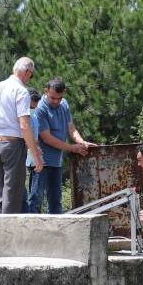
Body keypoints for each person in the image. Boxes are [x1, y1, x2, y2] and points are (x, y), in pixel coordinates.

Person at [0, 57, 44, 214]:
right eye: (31, 74)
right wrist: (35, 155)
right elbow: (24, 125)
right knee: (12, 194)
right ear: (27, 72)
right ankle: (7, 236)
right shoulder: (21, 91)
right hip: (13, 145)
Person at [28, 78, 96, 214]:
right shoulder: (40, 108)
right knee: (36, 199)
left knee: (55, 201)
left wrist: (81, 142)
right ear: (45, 91)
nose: (56, 101)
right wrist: (72, 148)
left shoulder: (64, 104)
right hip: (39, 161)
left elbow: (71, 129)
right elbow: (47, 138)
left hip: (56, 162)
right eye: (52, 97)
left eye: (59, 98)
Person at [24, 88, 41, 212]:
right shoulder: (23, 115)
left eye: (34, 107)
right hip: (29, 157)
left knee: (36, 193)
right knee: (34, 193)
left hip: (33, 156)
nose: (32, 108)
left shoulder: (33, 115)